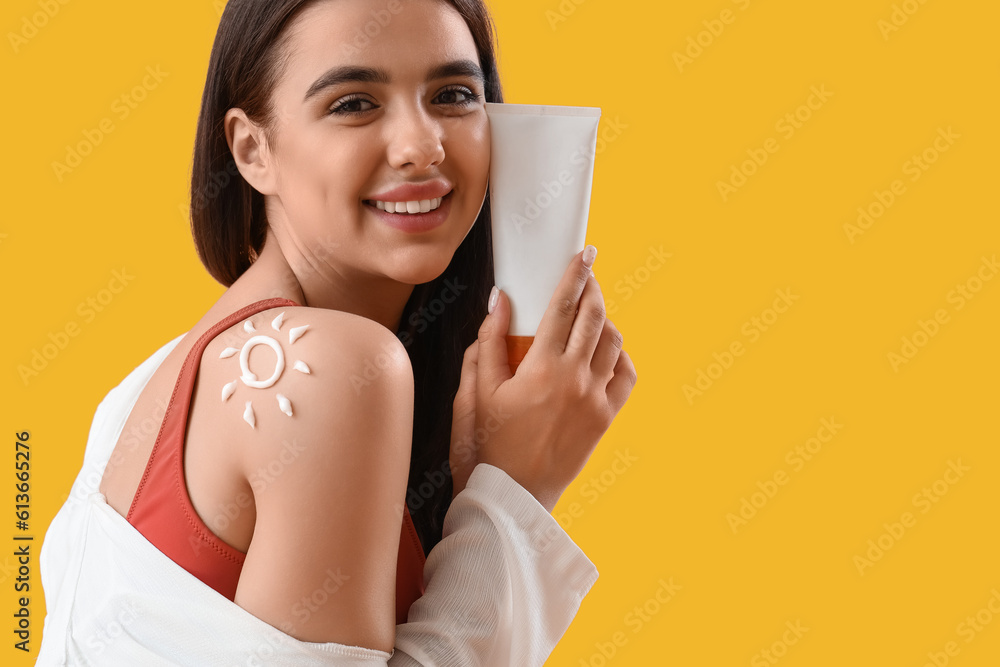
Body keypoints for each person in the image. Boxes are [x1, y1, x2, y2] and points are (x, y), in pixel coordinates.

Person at [36, 0, 637, 664]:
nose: (421, 145)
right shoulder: (321, 372)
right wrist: (514, 494)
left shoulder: (157, 376)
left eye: (454, 94)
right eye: (354, 103)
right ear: (251, 149)